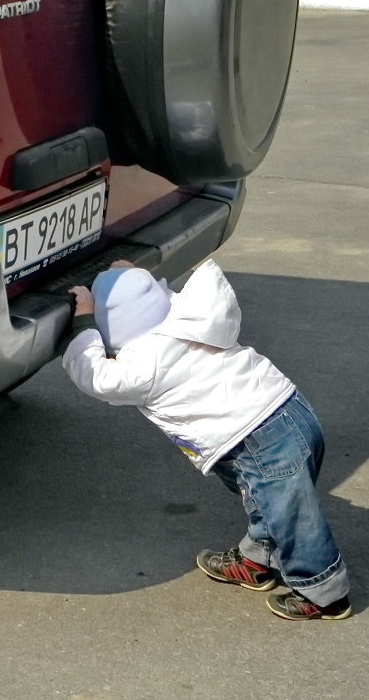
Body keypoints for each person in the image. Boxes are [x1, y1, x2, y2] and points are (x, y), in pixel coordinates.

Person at [63, 259, 350, 620]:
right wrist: (136, 279)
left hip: (259, 439)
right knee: (269, 502)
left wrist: (85, 323)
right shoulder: (186, 313)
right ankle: (257, 559)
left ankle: (322, 592)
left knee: (293, 515)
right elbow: (155, 301)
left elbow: (97, 377)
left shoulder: (143, 362)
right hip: (291, 411)